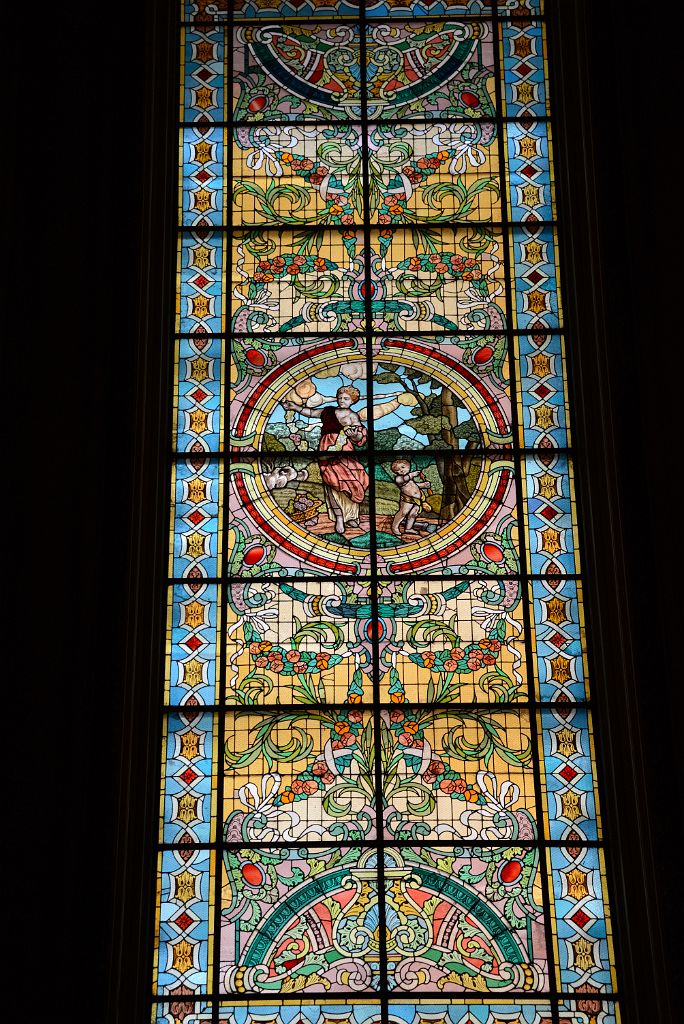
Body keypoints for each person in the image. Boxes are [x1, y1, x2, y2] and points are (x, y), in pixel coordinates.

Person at [281, 385, 369, 534]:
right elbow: (310, 412)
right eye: (340, 397)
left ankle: (352, 517)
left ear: (352, 401)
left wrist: (354, 434)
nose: (342, 400)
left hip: (345, 449)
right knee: (332, 482)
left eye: (346, 398)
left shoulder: (353, 416)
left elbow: (360, 437)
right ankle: (339, 517)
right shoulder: (328, 411)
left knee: (353, 481)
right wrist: (294, 407)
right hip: (327, 448)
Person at [390, 459, 432, 537]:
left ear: (408, 467)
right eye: (398, 470)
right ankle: (395, 527)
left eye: (403, 467)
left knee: (413, 514)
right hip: (407, 499)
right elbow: (404, 479)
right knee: (403, 512)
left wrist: (423, 485)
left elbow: (415, 486)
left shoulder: (409, 479)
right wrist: (411, 475)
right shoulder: (399, 479)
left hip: (417, 500)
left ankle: (408, 528)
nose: (401, 470)